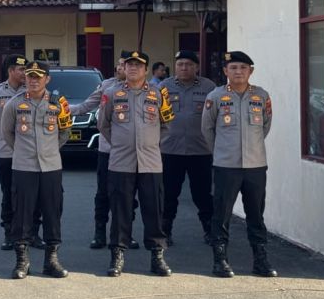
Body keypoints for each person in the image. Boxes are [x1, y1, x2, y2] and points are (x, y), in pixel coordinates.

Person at [99, 50, 174, 277]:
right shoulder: (111, 93)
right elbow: (104, 125)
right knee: (120, 210)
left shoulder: (158, 94)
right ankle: (118, 254)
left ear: (146, 70)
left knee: (154, 210)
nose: (133, 68)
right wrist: (121, 144)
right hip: (121, 162)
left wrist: (150, 144)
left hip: (150, 163)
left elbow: (166, 126)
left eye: (138, 65)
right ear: (124, 68)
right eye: (129, 64)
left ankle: (157, 255)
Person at [202, 51, 276, 278]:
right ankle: (220, 260)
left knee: (256, 214)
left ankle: (260, 260)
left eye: (243, 68)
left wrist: (250, 148)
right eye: (233, 68)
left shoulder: (261, 96)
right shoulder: (215, 96)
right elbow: (207, 130)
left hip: (255, 166)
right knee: (221, 214)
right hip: (226, 166)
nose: (238, 72)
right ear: (225, 71)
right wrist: (222, 152)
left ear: (250, 71)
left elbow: (265, 126)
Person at [1, 61, 72, 279]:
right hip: (24, 167)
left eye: (38, 76)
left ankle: (51, 260)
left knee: (52, 212)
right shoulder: (14, 103)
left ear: (47, 79)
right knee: (22, 213)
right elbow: (7, 133)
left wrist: (49, 150)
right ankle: (22, 262)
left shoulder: (58, 103)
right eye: (30, 76)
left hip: (51, 167)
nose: (33, 80)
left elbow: (65, 131)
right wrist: (24, 152)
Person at [69, 57, 139, 250]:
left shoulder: (146, 90)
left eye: (125, 65)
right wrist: (63, 109)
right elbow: (86, 106)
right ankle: (99, 233)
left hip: (132, 153)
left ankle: (126, 234)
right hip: (108, 151)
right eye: (120, 64)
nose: (121, 68)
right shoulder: (107, 86)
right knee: (103, 193)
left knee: (128, 195)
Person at [0, 54, 45, 250]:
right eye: (21, 70)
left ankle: (33, 233)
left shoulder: (33, 91)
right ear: (10, 71)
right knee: (9, 194)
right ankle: (10, 234)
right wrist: (6, 137)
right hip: (7, 154)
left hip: (31, 154)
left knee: (34, 195)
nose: (26, 73)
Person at [159, 50, 217, 245]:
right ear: (175, 67)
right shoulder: (164, 87)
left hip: (200, 150)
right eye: (180, 64)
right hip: (170, 150)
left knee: (202, 194)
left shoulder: (209, 87)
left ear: (196, 67)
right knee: (168, 194)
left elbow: (216, 117)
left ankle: (210, 230)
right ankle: (165, 231)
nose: (184, 68)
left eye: (189, 64)